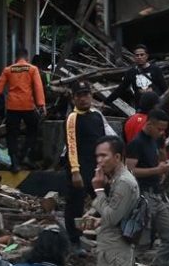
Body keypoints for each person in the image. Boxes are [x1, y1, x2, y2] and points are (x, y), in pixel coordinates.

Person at [63, 81, 114, 257]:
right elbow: (71, 146)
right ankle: (74, 241)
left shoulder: (97, 115)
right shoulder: (72, 118)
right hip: (79, 167)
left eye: (86, 94)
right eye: (79, 95)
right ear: (74, 98)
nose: (83, 99)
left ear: (91, 96)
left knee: (105, 202)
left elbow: (107, 139)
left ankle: (109, 238)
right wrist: (75, 172)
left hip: (97, 168)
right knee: (75, 206)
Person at [125, 109, 169, 264]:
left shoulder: (154, 140)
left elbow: (155, 162)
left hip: (156, 195)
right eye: (159, 129)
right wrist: (156, 170)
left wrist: (163, 167)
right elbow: (129, 171)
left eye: (164, 130)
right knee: (140, 242)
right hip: (142, 197)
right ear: (149, 124)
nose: (162, 133)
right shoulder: (136, 143)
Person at [0, 48, 46, 172]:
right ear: (27, 58)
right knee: (33, 129)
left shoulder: (8, 70)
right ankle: (25, 155)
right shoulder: (33, 69)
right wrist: (41, 104)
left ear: (15, 58)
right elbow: (38, 88)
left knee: (12, 135)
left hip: (12, 107)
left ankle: (15, 163)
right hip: (28, 106)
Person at [91, 135, 140, 266]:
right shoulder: (116, 179)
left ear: (117, 157)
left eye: (103, 156)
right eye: (97, 156)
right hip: (110, 247)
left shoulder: (124, 182)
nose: (99, 161)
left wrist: (99, 191)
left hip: (116, 251)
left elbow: (112, 217)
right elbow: (120, 213)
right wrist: (101, 220)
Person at [105, 44, 168, 109]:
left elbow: (164, 88)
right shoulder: (131, 72)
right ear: (134, 57)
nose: (139, 57)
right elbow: (120, 89)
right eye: (137, 55)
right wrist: (105, 102)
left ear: (147, 56)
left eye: (142, 55)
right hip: (140, 108)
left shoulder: (155, 69)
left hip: (156, 106)